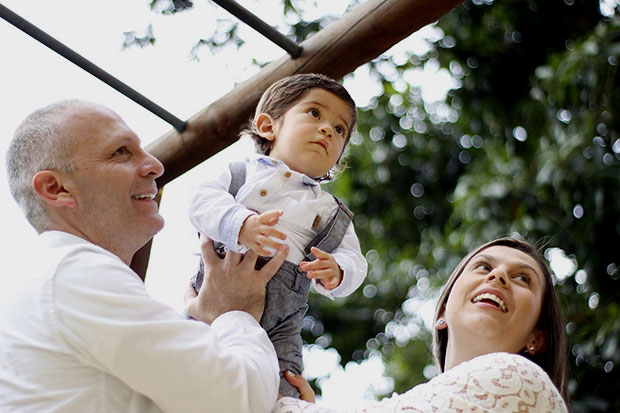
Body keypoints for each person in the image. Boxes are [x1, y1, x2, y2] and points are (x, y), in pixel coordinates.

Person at [0, 99, 288, 413]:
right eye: (121, 151)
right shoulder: (76, 272)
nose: (155, 165)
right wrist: (235, 313)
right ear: (57, 188)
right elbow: (237, 401)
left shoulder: (52, 284)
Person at [188, 73, 368, 397]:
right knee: (188, 361)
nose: (328, 128)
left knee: (284, 384)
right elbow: (201, 203)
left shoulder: (328, 208)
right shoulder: (240, 173)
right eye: (314, 113)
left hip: (282, 322)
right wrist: (239, 223)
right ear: (269, 126)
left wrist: (339, 271)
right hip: (212, 297)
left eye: (340, 129)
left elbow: (355, 259)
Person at [273, 237, 570, 412]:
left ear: (538, 338)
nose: (498, 277)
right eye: (483, 267)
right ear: (442, 312)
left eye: (523, 278)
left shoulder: (523, 380)